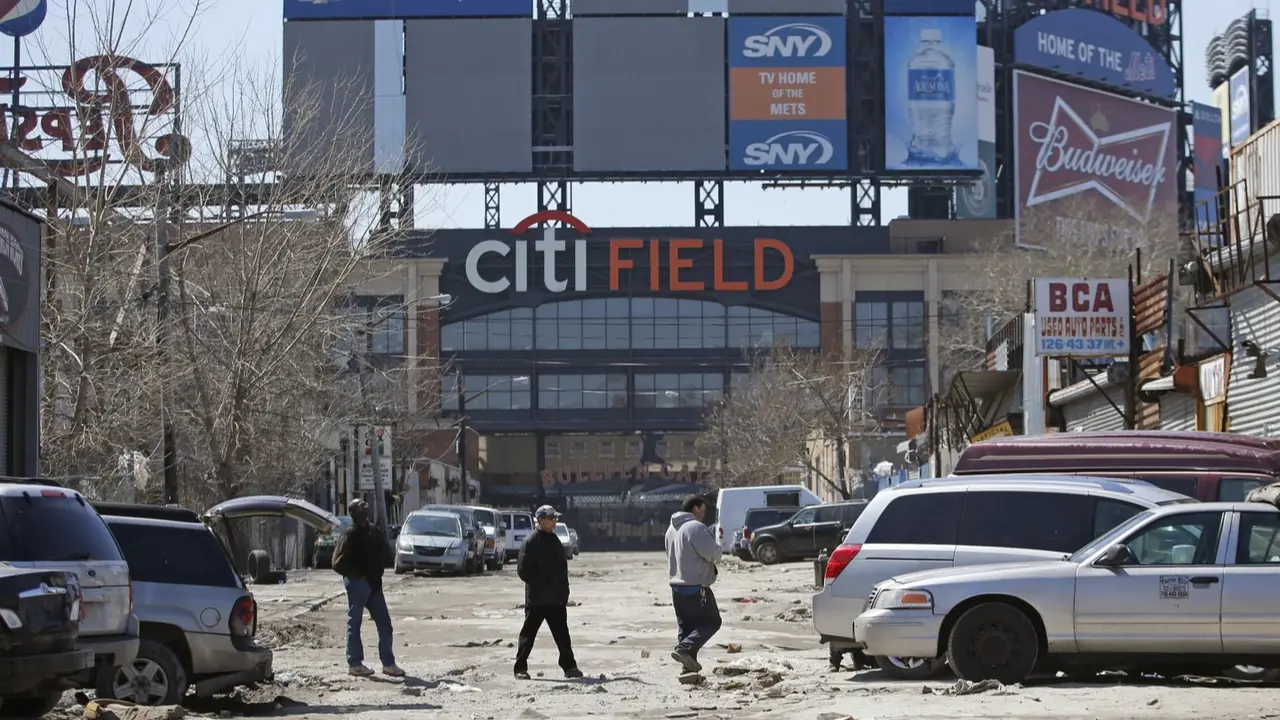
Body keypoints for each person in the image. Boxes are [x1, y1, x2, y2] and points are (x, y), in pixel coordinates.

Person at [331, 498, 405, 678]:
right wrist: (357, 576)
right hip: (358, 584)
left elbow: (385, 553)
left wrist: (381, 568)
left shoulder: (373, 531)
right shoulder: (349, 533)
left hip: (374, 584)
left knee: (385, 623)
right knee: (354, 623)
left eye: (366, 504)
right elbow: (336, 563)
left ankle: (388, 663)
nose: (365, 507)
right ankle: (355, 663)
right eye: (360, 506)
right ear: (353, 512)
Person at [514, 505, 583, 680]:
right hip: (537, 599)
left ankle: (570, 667)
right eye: (552, 518)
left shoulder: (555, 541)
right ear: (541, 519)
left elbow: (562, 569)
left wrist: (564, 591)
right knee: (528, 635)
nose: (554, 522)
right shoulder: (529, 542)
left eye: (555, 518)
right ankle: (520, 668)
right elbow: (523, 570)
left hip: (556, 599)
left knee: (562, 635)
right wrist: (541, 584)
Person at [665, 495, 722, 674]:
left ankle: (688, 670)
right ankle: (684, 649)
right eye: (702, 510)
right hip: (696, 587)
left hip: (676, 587)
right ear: (695, 508)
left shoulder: (671, 529)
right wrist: (718, 551)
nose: (704, 514)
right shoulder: (695, 527)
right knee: (712, 622)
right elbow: (712, 553)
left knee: (687, 628)